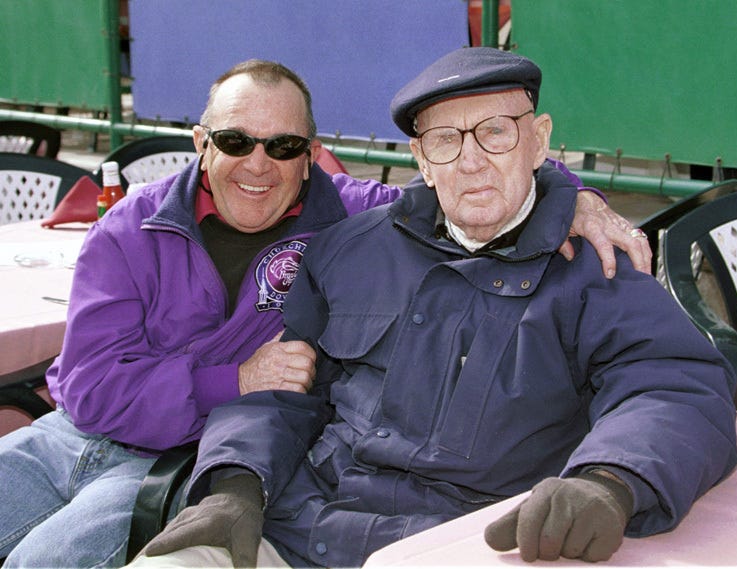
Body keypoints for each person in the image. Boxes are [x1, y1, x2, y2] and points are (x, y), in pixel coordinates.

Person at [0, 58, 643, 568]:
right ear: (201, 143)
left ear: (309, 154)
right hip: (67, 436)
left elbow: (472, 177)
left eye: (283, 146)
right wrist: (236, 379)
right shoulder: (131, 227)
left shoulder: (349, 220)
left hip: (189, 455)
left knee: (42, 562)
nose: (258, 165)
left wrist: (573, 197)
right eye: (235, 141)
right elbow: (90, 390)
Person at [130, 47, 737, 568]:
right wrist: (234, 486)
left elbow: (672, 387)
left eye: (495, 131)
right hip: (297, 529)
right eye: (446, 140)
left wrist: (607, 482)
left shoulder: (595, 271)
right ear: (421, 160)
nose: (471, 160)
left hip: (465, 544)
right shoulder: (351, 250)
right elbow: (286, 391)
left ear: (539, 141)